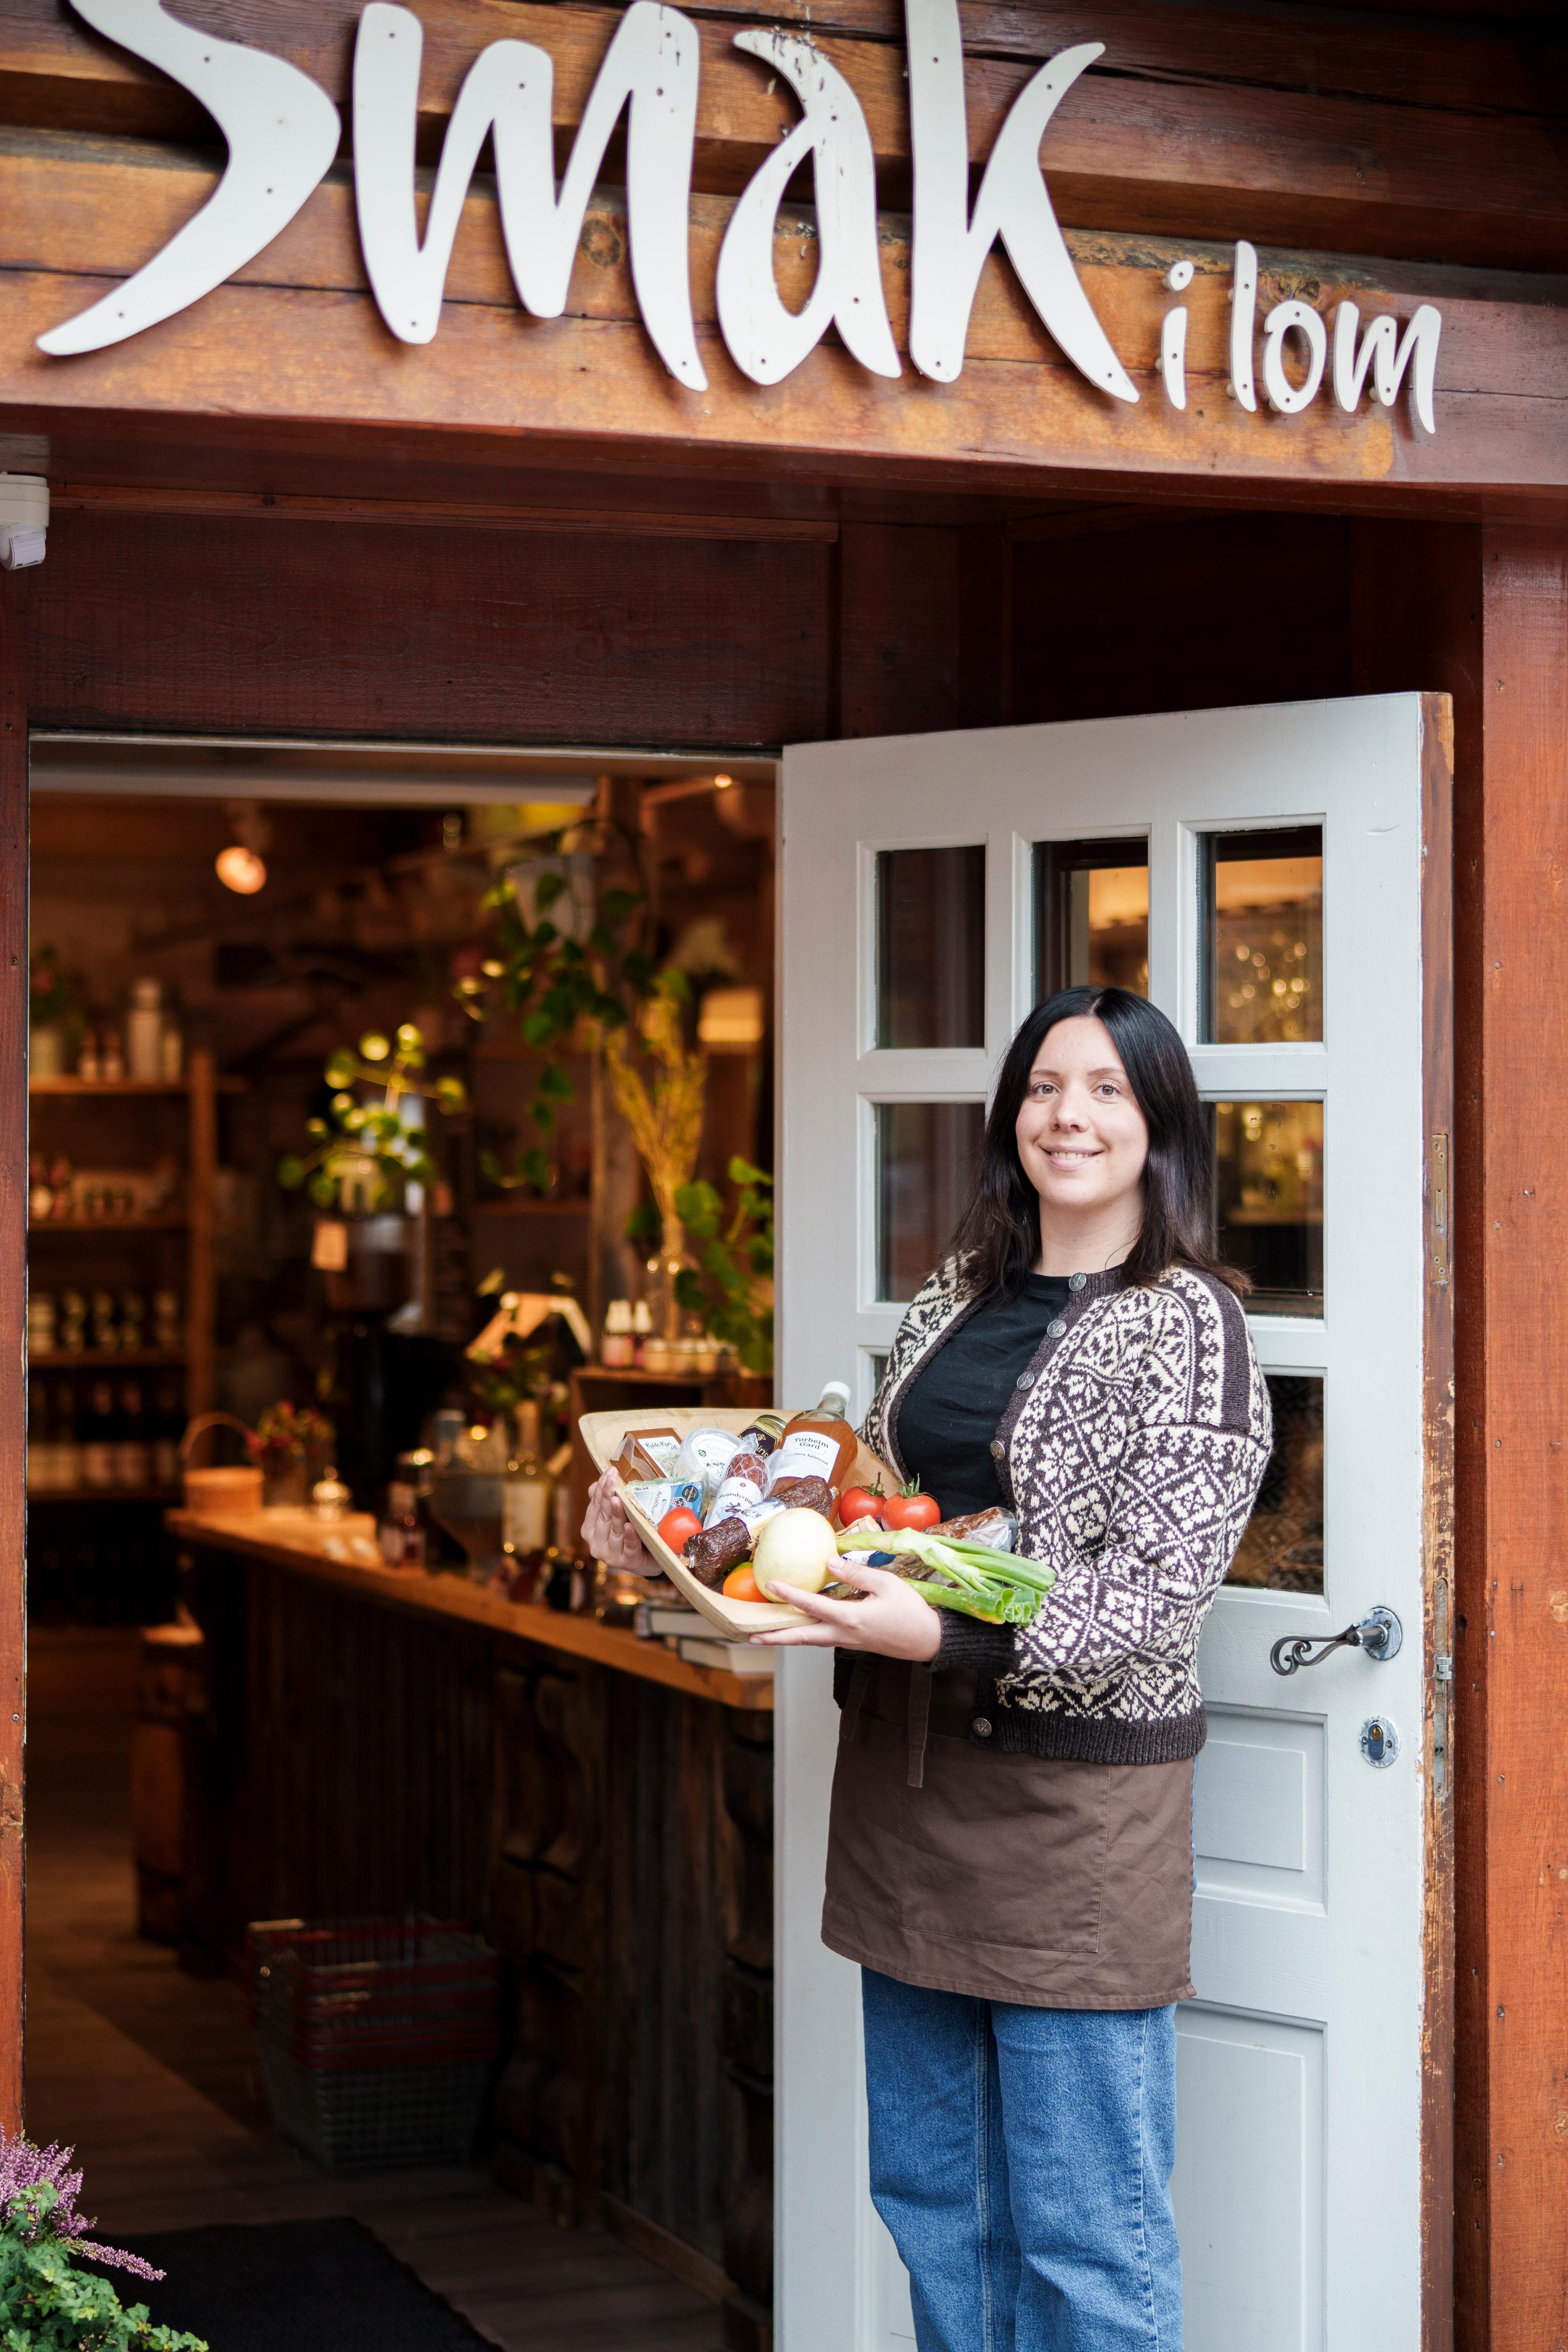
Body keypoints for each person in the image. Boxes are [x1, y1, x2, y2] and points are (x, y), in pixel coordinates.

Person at [584, 985, 1271, 2352]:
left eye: (1106, 1091)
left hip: (1075, 1823)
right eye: (1041, 1087)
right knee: (933, 2201)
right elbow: (875, 1508)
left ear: (1161, 1124)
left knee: (1086, 2232)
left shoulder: (1190, 1327)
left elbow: (1154, 1595)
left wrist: (949, 1633)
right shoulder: (958, 1292)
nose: (1066, 1117)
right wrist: (670, 1528)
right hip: (907, 1792)